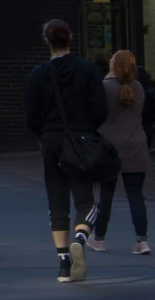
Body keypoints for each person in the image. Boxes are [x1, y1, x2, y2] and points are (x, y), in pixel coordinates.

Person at [24, 18, 109, 282]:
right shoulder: (88, 70)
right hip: (81, 137)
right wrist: (87, 128)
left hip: (51, 140)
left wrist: (45, 133)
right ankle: (81, 238)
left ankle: (63, 264)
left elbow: (31, 115)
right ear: (70, 38)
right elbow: (101, 109)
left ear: (46, 40)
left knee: (56, 198)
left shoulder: (38, 73)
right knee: (88, 199)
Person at [93, 49, 152, 256]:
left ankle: (99, 238)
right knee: (135, 194)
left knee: (105, 196)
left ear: (114, 65)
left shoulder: (104, 87)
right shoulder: (138, 89)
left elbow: (96, 114)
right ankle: (142, 241)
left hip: (110, 149)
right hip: (137, 147)